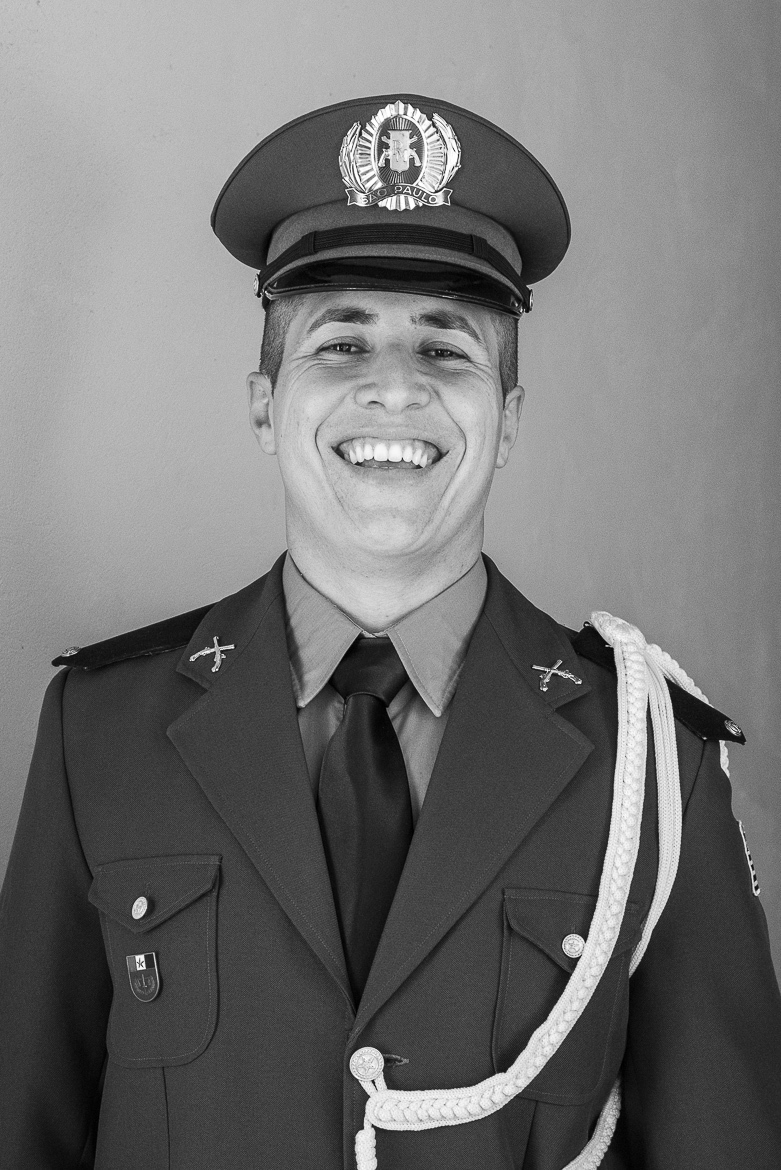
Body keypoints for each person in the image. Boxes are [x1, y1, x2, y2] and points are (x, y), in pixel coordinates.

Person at [1, 93, 780, 1170]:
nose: (394, 387)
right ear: (264, 404)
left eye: (446, 350)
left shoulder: (651, 760)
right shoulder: (101, 731)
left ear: (507, 420)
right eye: (341, 342)